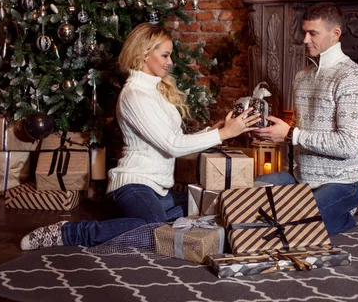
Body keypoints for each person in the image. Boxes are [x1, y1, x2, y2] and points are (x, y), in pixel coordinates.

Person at [20, 22, 260, 250]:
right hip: (134, 184)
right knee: (152, 229)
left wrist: (213, 131)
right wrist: (224, 133)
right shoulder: (135, 95)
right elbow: (173, 146)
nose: (170, 62)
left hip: (159, 188)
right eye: (165, 55)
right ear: (145, 54)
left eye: (170, 55)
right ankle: (70, 233)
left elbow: (171, 138)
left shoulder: (154, 90)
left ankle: (135, 219)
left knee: (207, 205)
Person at [253, 2, 358, 236]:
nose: (305, 40)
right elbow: (303, 132)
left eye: (313, 33)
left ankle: (341, 216)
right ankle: (316, 215)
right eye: (304, 32)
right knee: (241, 198)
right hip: (301, 179)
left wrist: (290, 134)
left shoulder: (352, 77)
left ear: (335, 34)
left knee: (286, 229)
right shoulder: (302, 76)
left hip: (342, 183)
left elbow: (348, 145)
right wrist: (272, 132)